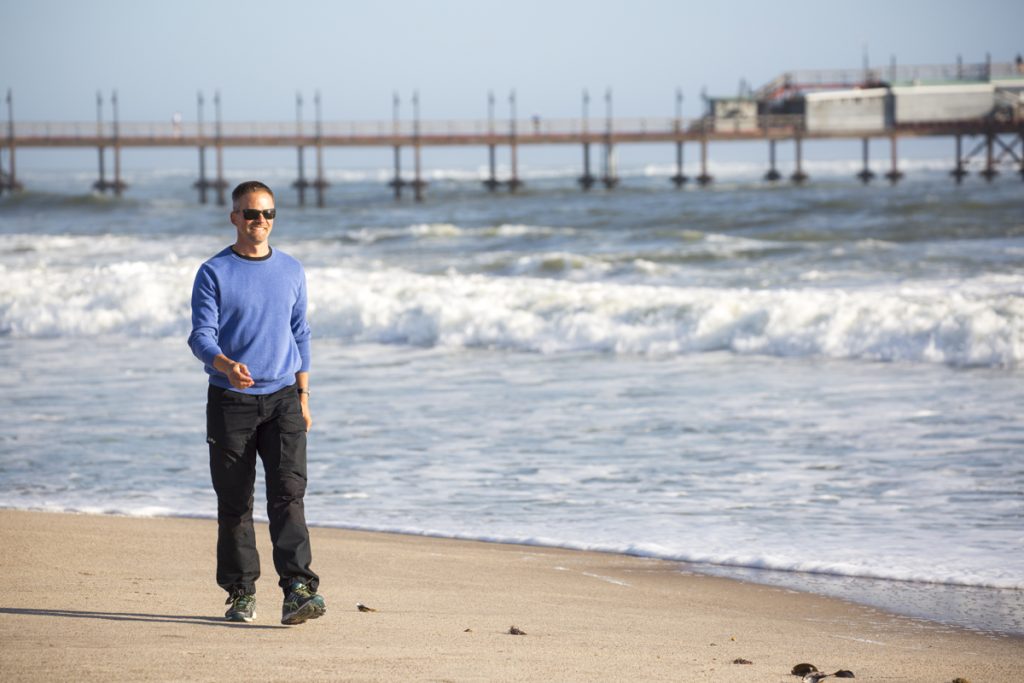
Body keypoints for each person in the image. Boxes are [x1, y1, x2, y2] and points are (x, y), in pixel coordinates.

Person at [188, 180, 326, 625]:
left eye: (267, 214)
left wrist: (304, 395)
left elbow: (300, 333)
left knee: (289, 496)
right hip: (232, 401)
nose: (260, 221)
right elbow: (200, 335)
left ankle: (298, 590)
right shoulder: (214, 272)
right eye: (251, 214)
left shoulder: (291, 269)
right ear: (234, 218)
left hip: (284, 397)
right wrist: (225, 364)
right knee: (235, 503)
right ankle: (241, 592)